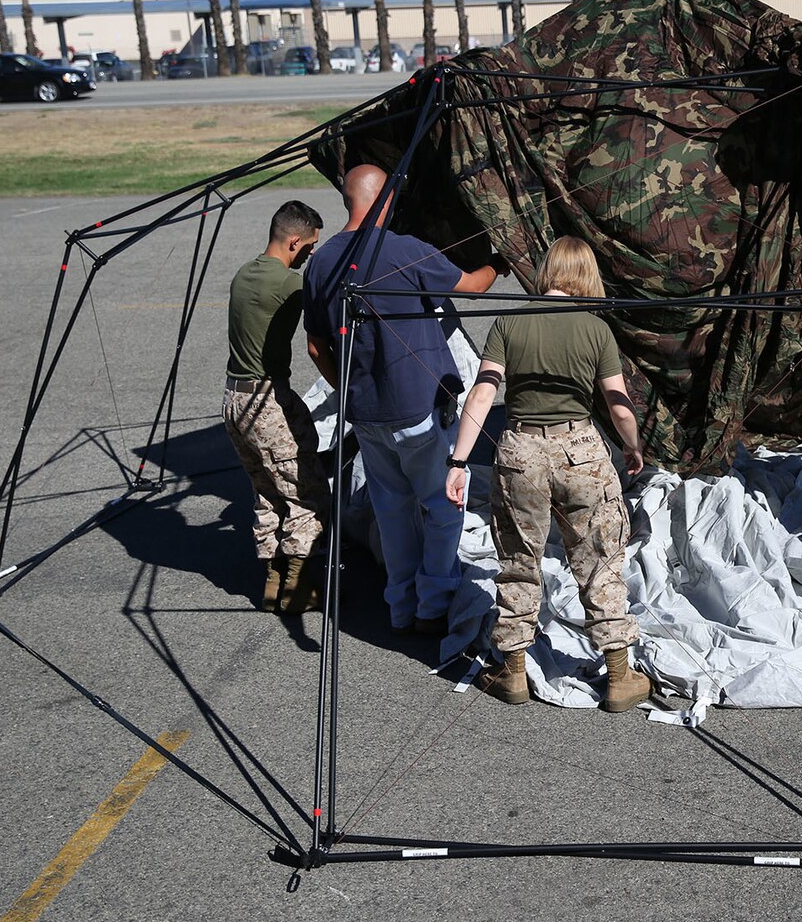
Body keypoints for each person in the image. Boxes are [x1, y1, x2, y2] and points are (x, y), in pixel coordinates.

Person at [445, 236, 655, 711]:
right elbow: (618, 405)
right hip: (580, 447)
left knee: (518, 560)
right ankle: (620, 676)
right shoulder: (595, 329)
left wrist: (458, 462)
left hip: (518, 450)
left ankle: (513, 672)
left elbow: (482, 395)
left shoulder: (509, 321)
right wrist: (632, 446)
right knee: (600, 557)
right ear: (586, 275)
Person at [304, 165, 498, 636]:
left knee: (392, 511)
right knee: (443, 503)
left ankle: (400, 605)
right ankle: (433, 603)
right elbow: (473, 286)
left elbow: (315, 345)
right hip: (418, 412)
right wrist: (497, 263)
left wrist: (348, 392)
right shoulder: (404, 249)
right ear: (384, 201)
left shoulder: (321, 262)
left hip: (366, 413)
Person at [223, 200, 332, 612]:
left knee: (266, 491)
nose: (311, 254)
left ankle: (272, 579)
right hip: (267, 401)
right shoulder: (288, 286)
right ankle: (297, 587)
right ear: (293, 240)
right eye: (310, 246)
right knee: (305, 490)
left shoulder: (245, 273)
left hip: (234, 399)